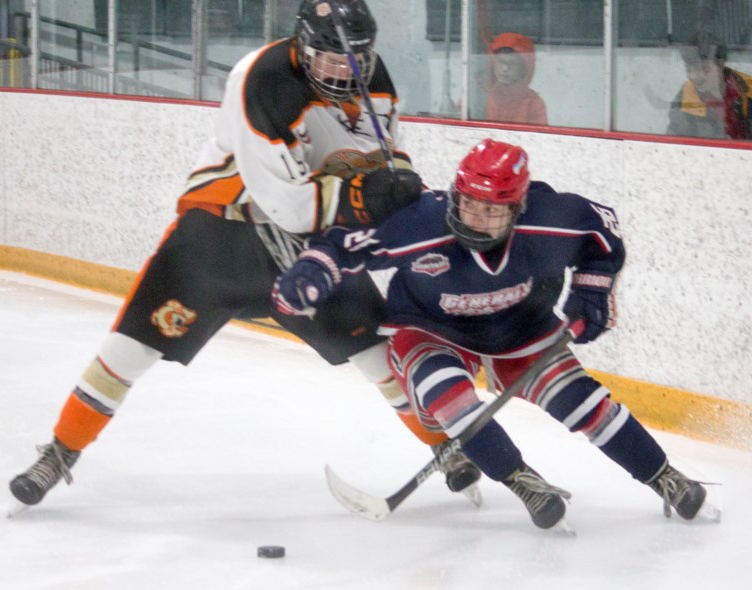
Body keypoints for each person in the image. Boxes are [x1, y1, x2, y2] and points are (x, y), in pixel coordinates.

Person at [9, 0, 482, 508]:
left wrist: (397, 188)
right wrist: (366, 197)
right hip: (219, 237)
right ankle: (60, 452)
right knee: (130, 348)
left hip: (305, 251)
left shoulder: (371, 74)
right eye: (329, 59)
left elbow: (374, 155)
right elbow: (288, 204)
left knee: (376, 353)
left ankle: (445, 446)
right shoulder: (261, 79)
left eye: (356, 57)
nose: (344, 71)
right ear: (303, 46)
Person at [274, 139, 710, 530]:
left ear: (517, 209)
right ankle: (524, 482)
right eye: (467, 203)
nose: (475, 218)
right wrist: (312, 271)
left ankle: (664, 477)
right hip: (429, 328)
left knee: (584, 403)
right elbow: (347, 246)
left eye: (491, 210)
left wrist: (592, 292)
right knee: (447, 397)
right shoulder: (424, 224)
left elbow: (604, 235)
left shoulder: (552, 220)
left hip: (520, 328)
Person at [486, 32, 548, 125]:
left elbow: (538, 137)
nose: (505, 68)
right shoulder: (478, 96)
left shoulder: (533, 103)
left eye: (512, 63)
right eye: (500, 62)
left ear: (523, 68)